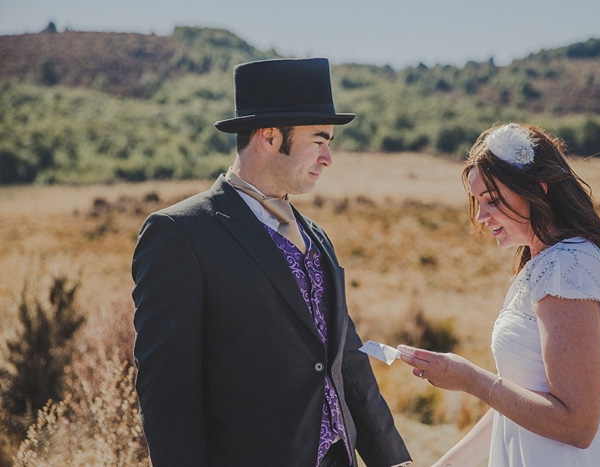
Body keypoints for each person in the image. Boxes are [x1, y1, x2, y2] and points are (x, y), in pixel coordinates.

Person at [132, 58, 412, 467]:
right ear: (268, 136)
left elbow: (346, 360)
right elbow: (168, 395)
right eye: (319, 141)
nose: (328, 158)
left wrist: (394, 462)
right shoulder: (180, 234)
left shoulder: (315, 235)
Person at [399, 123, 600, 466]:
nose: (480, 217)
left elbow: (578, 426)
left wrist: (470, 380)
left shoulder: (566, 270)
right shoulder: (545, 264)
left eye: (492, 200)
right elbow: (513, 408)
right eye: (478, 202)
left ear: (538, 189)